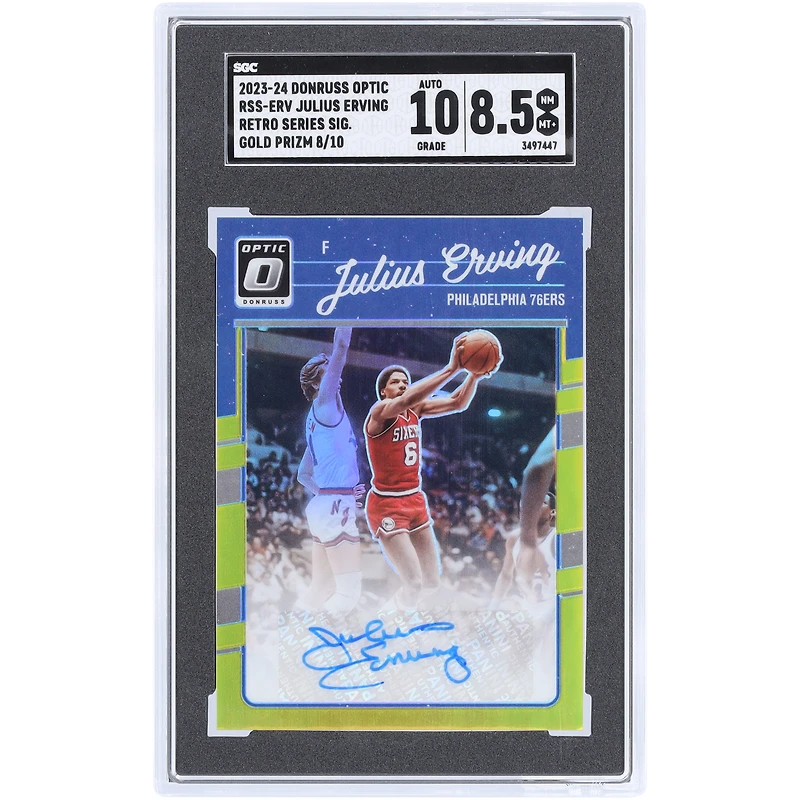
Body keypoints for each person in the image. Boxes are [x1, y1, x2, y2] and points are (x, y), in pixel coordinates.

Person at [364, 333, 495, 610]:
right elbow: (403, 402)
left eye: (405, 381)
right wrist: (452, 368)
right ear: (383, 391)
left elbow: (458, 403)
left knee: (432, 583)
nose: (402, 385)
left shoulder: (416, 410)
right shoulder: (379, 412)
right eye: (395, 382)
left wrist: (474, 376)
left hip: (414, 498)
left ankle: (415, 625)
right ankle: (383, 621)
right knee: (413, 583)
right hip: (387, 504)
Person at [295, 327, 364, 614]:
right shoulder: (324, 403)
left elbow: (304, 474)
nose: (337, 372)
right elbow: (342, 346)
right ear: (315, 382)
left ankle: (293, 630)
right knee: (348, 594)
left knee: (320, 588)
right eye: (328, 369)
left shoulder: (319, 419)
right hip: (334, 506)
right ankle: (315, 636)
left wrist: (332, 492)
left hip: (327, 504)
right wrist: (347, 308)